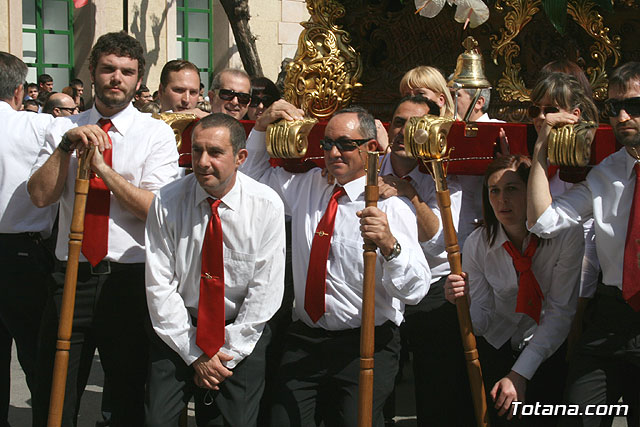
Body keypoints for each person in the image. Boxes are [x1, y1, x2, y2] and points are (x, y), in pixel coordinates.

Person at [240, 101, 431, 426]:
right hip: (306, 339)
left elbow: (416, 290)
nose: (334, 153)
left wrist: (389, 245)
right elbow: (250, 180)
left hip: (365, 345)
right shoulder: (308, 185)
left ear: (371, 147)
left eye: (345, 144)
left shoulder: (390, 207)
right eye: (328, 144)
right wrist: (260, 127)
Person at [27, 31, 180, 426]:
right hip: (70, 276)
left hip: (126, 280)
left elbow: (155, 209)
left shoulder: (156, 134)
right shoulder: (60, 129)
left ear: (138, 79)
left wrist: (103, 169)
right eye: (108, 69)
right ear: (92, 72)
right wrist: (65, 148)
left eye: (127, 72)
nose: (117, 78)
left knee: (128, 396)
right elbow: (40, 197)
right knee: (53, 393)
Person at [145, 113, 285, 426]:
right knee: (157, 419)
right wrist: (194, 353)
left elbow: (265, 291)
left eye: (215, 152)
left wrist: (225, 355)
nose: (203, 161)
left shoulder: (266, 205)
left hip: (240, 333)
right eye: (197, 151)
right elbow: (160, 286)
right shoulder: (166, 202)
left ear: (241, 157)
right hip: (179, 328)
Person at [528, 63, 640, 427]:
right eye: (614, 107)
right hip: (610, 318)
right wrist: (542, 146)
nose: (623, 116)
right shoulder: (606, 173)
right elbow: (543, 223)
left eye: (635, 106)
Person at [446, 154, 583, 426]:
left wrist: (520, 374)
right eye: (494, 191)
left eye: (511, 189)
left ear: (531, 190)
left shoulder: (565, 235)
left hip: (545, 349)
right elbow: (483, 322)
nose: (501, 200)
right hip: (497, 348)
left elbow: (559, 312)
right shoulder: (478, 243)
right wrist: (464, 300)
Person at [376, 95, 475, 426]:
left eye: (415, 124)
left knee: (437, 389)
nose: (404, 131)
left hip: (433, 289)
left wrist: (408, 192)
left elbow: (437, 243)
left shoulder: (443, 171)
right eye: (399, 122)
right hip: (383, 291)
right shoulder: (370, 164)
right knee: (380, 391)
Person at [0, 51, 56, 427]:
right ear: (20, 91)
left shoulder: (39, 126)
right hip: (25, 252)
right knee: (38, 358)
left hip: (25, 248)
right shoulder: (38, 127)